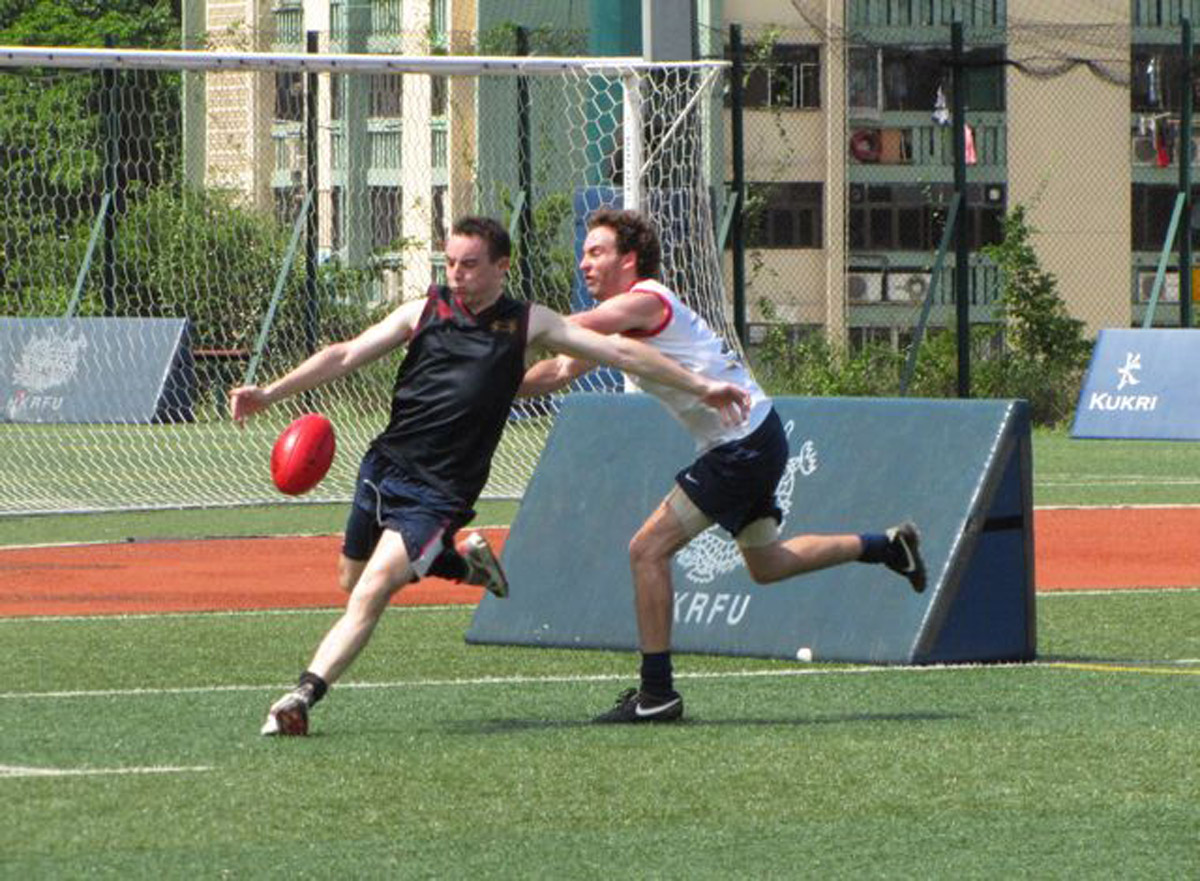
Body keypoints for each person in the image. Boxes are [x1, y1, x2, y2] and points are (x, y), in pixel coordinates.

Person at [230, 215, 751, 736]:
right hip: (384, 466)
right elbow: (344, 354)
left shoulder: (528, 322)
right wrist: (269, 393)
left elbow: (619, 350)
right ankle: (462, 565)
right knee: (350, 578)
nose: (457, 274)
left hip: (439, 492)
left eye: (470, 265)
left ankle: (301, 697)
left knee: (372, 589)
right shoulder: (424, 310)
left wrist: (701, 386)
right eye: (450, 263)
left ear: (502, 266)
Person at [519, 208, 927, 724]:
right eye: (584, 253)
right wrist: (495, 386)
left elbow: (564, 329)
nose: (584, 263)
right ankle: (886, 546)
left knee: (647, 551)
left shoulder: (647, 299)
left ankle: (656, 694)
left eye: (596, 252)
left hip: (741, 443)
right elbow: (559, 368)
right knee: (767, 564)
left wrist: (500, 328)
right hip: (753, 437)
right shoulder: (621, 318)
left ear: (630, 259)